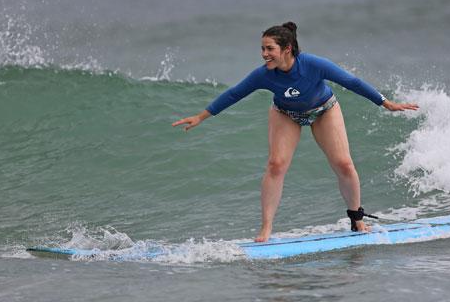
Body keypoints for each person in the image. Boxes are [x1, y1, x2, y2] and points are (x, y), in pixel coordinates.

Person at [172, 22, 418, 242]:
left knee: (343, 163)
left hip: (324, 109)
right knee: (276, 165)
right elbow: (234, 93)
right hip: (285, 114)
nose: (264, 54)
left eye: (269, 49)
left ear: (287, 48)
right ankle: (266, 227)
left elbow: (351, 82)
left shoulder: (313, 65)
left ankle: (357, 218)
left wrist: (386, 103)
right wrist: (201, 116)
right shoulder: (264, 75)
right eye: (263, 49)